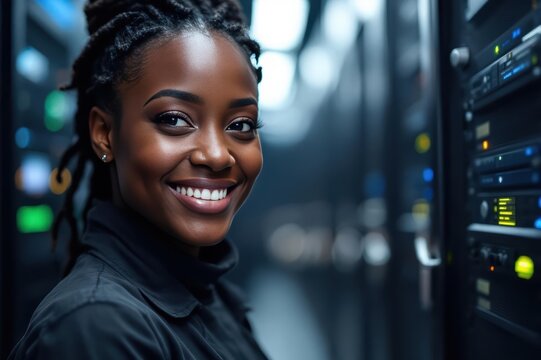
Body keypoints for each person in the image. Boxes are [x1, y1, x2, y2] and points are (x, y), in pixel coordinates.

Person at [9, 0, 268, 358]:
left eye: (241, 125)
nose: (217, 155)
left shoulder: (206, 289)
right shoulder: (97, 327)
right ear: (104, 133)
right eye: (175, 119)